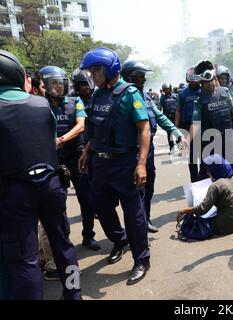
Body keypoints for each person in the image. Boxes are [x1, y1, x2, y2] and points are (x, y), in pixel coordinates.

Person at [0, 50, 81, 300]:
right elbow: (50, 140)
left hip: (14, 192)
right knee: (64, 246)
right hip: (51, 184)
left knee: (25, 258)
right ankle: (74, 294)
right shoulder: (41, 104)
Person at [78, 47, 151, 285]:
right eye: (90, 71)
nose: (92, 75)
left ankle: (141, 259)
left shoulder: (130, 94)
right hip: (100, 163)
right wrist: (87, 150)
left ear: (109, 69)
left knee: (134, 215)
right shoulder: (97, 95)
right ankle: (119, 240)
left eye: (95, 70)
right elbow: (95, 127)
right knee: (101, 206)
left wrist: (141, 164)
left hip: (125, 163)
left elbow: (144, 129)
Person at [121, 60, 187, 233]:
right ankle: (135, 229)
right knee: (136, 192)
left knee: (148, 188)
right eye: (139, 76)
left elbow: (159, 116)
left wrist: (176, 132)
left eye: (144, 76)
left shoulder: (146, 96)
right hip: (132, 152)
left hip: (148, 151)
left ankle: (145, 219)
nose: (143, 80)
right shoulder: (122, 97)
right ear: (129, 77)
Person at [39, 65, 100, 251]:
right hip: (53, 159)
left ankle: (88, 236)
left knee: (86, 198)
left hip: (77, 157)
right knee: (57, 202)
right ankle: (62, 241)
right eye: (54, 83)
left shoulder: (75, 102)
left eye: (61, 83)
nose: (59, 87)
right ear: (45, 86)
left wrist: (61, 139)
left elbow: (81, 125)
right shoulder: (40, 105)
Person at [190, 60, 233, 180]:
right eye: (204, 83)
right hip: (210, 143)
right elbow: (195, 124)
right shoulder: (199, 100)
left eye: (209, 82)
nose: (208, 85)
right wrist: (186, 140)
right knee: (211, 176)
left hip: (228, 139)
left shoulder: (225, 92)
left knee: (231, 173)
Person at [178, 154, 233, 235]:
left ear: (215, 170)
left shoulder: (216, 186)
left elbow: (202, 209)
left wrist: (184, 211)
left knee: (195, 222)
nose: (207, 173)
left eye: (209, 170)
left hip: (225, 227)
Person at [176, 67, 202, 182]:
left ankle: (204, 178)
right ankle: (195, 181)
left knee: (204, 154)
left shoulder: (203, 91)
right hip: (187, 126)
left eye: (196, 79)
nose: (194, 82)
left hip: (202, 125)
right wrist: (176, 127)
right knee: (192, 157)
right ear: (187, 80)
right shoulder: (182, 94)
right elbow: (178, 110)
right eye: (191, 80)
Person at [159, 82, 178, 152]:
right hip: (167, 117)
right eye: (165, 89)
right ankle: (171, 147)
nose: (166, 90)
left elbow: (179, 106)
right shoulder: (162, 98)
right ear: (163, 90)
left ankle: (179, 144)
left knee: (177, 131)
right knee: (169, 133)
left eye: (168, 89)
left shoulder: (175, 96)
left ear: (170, 88)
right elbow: (159, 107)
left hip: (175, 116)